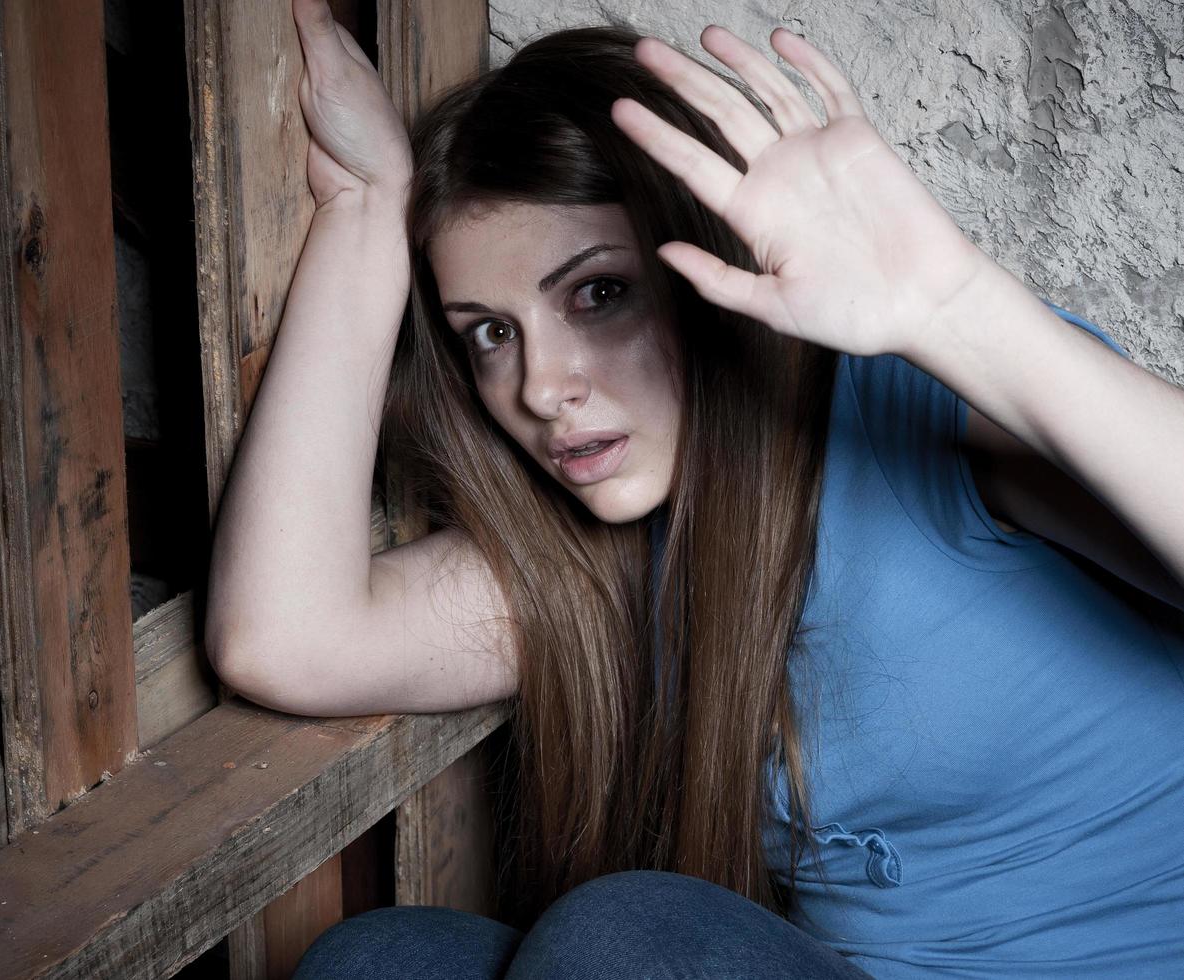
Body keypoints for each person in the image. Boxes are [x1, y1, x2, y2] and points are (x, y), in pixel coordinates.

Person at [206, 0, 1184, 975]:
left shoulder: (910, 410)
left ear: (706, 266)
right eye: (490, 333)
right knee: (383, 961)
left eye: (599, 292)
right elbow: (289, 636)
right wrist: (366, 206)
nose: (542, 387)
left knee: (627, 936)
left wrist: (953, 308)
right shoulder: (609, 550)